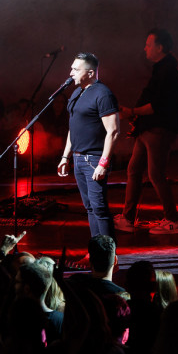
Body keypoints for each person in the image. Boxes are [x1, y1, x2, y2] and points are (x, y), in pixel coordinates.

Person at [116, 29, 178, 235]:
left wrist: (132, 112)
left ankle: (173, 221)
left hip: (158, 129)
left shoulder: (168, 70)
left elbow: (156, 105)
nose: (145, 48)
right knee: (134, 170)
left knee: (156, 175)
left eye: (148, 44)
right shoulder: (164, 67)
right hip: (149, 129)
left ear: (160, 47)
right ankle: (128, 218)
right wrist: (134, 116)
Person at [57, 53, 121, 246]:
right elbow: (73, 127)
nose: (71, 73)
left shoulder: (103, 94)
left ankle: (110, 257)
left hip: (93, 159)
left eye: (76, 69)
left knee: (99, 208)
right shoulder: (77, 93)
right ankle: (96, 251)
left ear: (91, 72)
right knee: (90, 208)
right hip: (77, 158)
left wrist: (103, 163)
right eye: (71, 68)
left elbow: (114, 131)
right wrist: (65, 156)